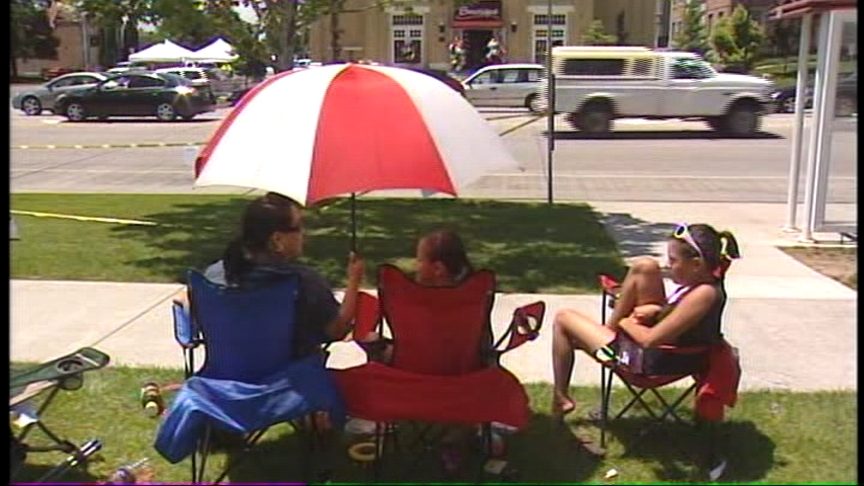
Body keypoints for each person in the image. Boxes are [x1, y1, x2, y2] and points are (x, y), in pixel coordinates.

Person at [550, 223, 741, 421]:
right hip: (667, 355)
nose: (668, 265)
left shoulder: (704, 294)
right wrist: (656, 310)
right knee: (645, 267)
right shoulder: (703, 285)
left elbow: (650, 340)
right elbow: (680, 317)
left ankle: (561, 398)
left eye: (673, 260)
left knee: (563, 318)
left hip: (648, 365)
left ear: (696, 264)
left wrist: (626, 320)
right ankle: (603, 338)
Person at [176, 191, 365, 359]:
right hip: (289, 387)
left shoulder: (214, 276)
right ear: (277, 240)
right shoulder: (302, 283)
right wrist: (354, 281)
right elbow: (337, 330)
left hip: (224, 386)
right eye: (298, 227)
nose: (304, 234)